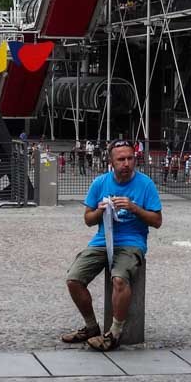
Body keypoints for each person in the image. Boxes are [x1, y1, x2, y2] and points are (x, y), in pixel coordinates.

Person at [60, 140, 162, 352]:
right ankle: (91, 327)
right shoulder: (100, 183)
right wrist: (99, 211)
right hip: (102, 240)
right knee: (73, 279)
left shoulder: (145, 184)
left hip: (132, 242)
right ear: (111, 162)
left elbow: (157, 221)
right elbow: (88, 219)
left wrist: (134, 208)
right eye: (121, 159)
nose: (126, 163)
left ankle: (114, 333)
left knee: (119, 279)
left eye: (130, 158)